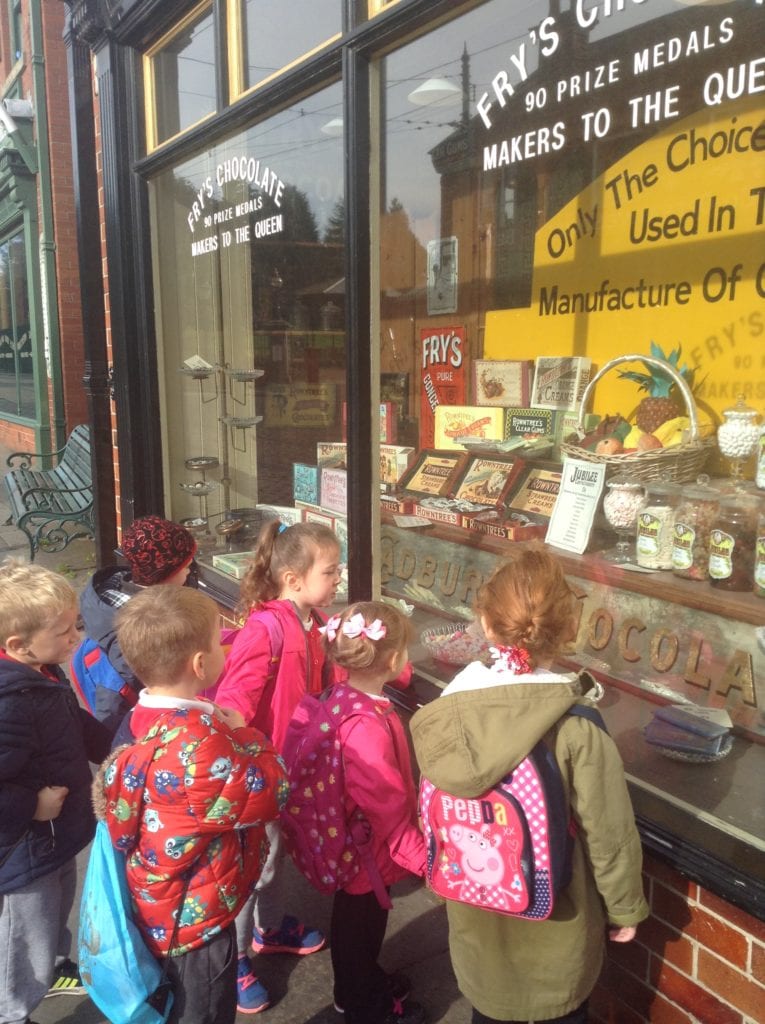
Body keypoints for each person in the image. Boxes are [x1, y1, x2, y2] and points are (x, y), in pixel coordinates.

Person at [411, 542, 649, 1024]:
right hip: (558, 938)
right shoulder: (576, 726)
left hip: (478, 933)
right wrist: (624, 907)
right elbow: (609, 833)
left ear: (485, 624)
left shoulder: (448, 714)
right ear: (567, 631)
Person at [93, 586, 288, 1024]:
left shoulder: (136, 721)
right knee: (204, 1009)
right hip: (197, 919)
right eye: (220, 642)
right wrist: (248, 735)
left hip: (160, 903)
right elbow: (271, 791)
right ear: (201, 665)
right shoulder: (199, 745)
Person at [213, 520, 342, 1014]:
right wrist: (240, 764)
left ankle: (269, 930)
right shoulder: (265, 629)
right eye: (330, 571)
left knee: (274, 855)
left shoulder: (314, 622)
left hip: (291, 766)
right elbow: (233, 704)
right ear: (293, 579)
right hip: (259, 772)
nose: (338, 579)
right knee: (252, 866)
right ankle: (233, 960)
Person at [0, 560, 112, 1024]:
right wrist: (32, 804)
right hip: (23, 848)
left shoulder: (42, 671)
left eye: (76, 625)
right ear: (17, 644)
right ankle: (12, 1010)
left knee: (56, 908)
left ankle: (51, 968)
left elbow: (74, 723)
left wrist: (121, 747)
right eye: (64, 631)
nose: (76, 637)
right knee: (25, 934)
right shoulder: (9, 703)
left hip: (52, 836)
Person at [320, 601, 427, 1024]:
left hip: (350, 840)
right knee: (361, 929)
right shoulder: (366, 726)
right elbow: (387, 806)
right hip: (368, 850)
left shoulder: (343, 695)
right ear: (394, 658)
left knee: (354, 922)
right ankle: (365, 1006)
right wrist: (422, 858)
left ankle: (355, 987)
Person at [77, 514, 197, 733]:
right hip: (140, 726)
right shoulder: (143, 629)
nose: (190, 572)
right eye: (186, 567)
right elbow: (123, 697)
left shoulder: (113, 593)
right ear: (168, 573)